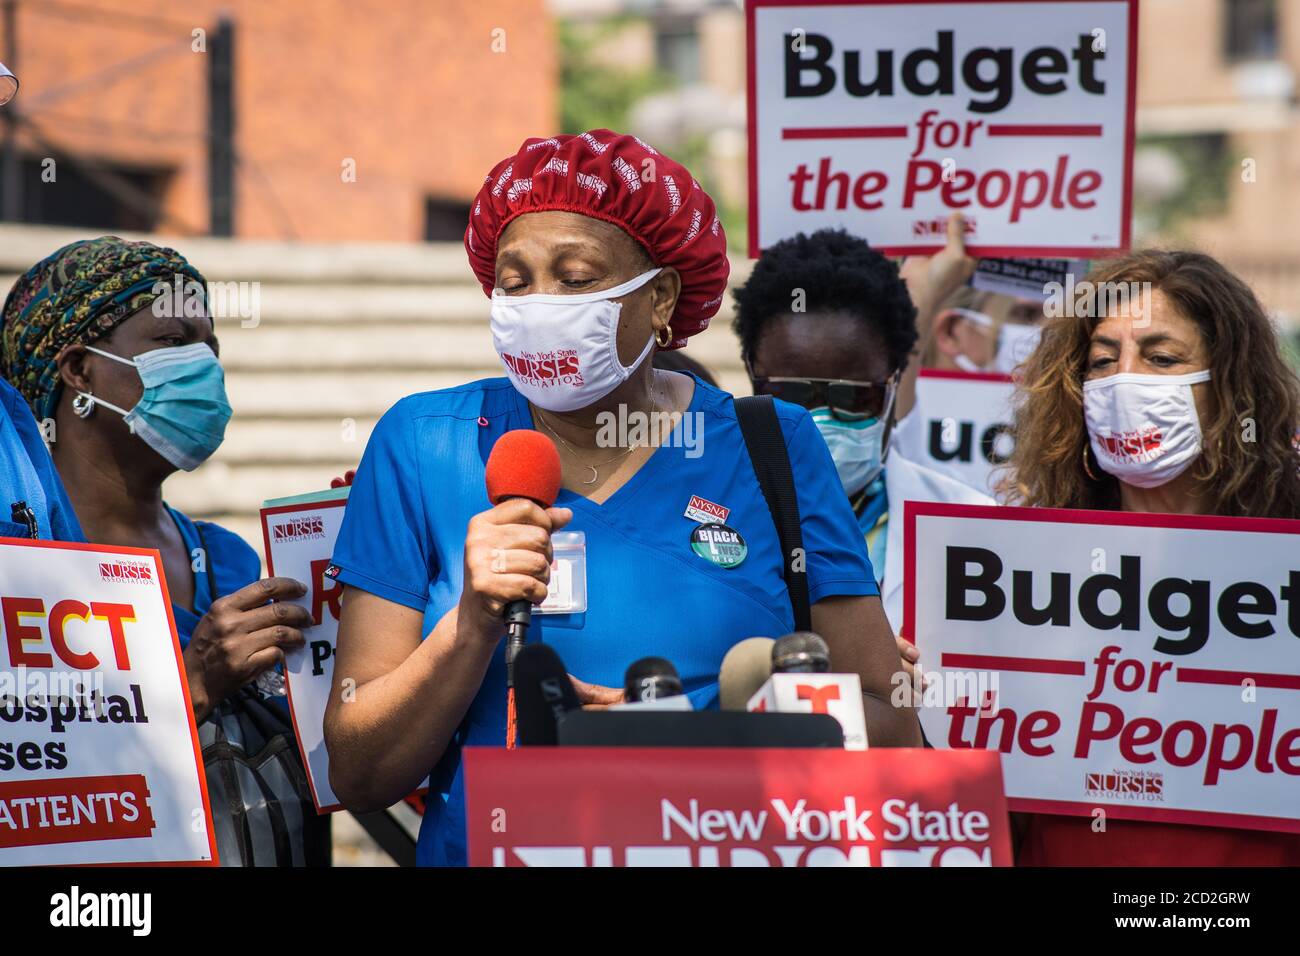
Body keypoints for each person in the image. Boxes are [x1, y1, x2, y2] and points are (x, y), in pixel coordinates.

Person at [323, 130, 922, 866]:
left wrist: (712, 732)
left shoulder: (774, 446)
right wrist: (471, 625)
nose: (539, 305)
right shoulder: (422, 444)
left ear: (662, 296)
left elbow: (890, 722)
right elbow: (358, 771)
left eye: (575, 278)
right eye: (514, 282)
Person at [1, 237, 327, 866]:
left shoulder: (227, 561)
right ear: (79, 370)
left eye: (212, 347)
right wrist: (195, 681)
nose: (205, 365)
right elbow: (37, 773)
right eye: (174, 342)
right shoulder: (28, 569)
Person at [1000, 249, 1300, 866]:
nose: (1123, 381)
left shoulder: (1285, 552)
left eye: (1162, 359)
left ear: (1230, 385)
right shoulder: (1018, 564)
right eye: (1103, 361)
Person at [733, 227, 992, 640]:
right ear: (752, 375)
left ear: (893, 384)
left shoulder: (977, 524)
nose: (814, 422)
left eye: (853, 398)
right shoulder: (700, 512)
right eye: (789, 395)